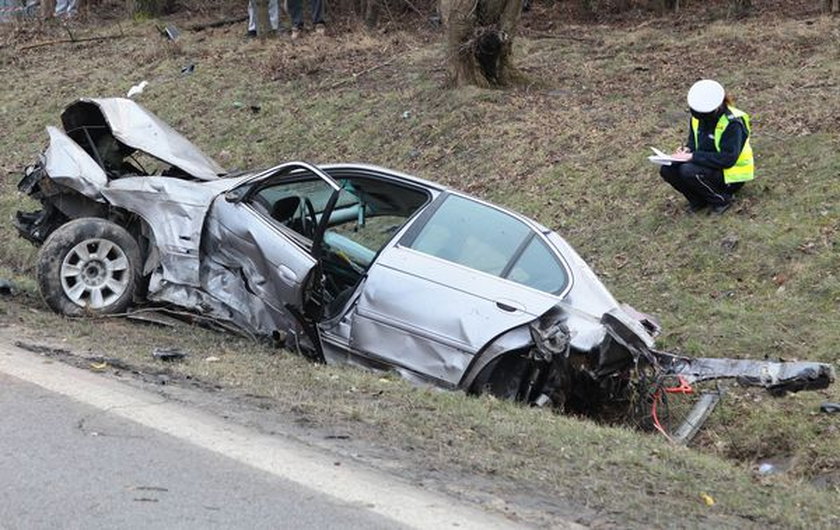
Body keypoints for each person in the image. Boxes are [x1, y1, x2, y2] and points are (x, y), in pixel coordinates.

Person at [660, 79, 754, 215]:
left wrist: (692, 156)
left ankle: (721, 200)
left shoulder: (733, 123)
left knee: (688, 170)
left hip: (731, 176)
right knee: (667, 169)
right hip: (707, 166)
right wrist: (686, 150)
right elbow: (693, 142)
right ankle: (698, 201)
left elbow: (728, 159)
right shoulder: (697, 118)